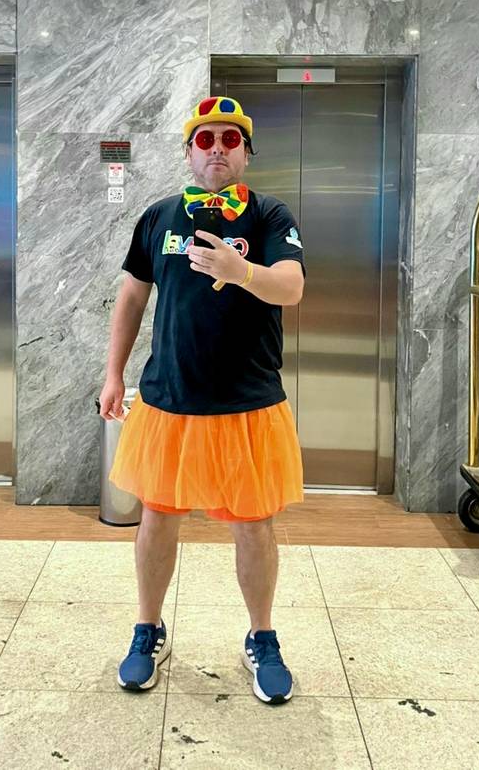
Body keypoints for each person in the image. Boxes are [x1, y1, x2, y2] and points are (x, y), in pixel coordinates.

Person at [98, 96, 306, 706]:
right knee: (158, 517)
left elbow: (291, 287)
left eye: (229, 140)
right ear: (190, 152)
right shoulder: (160, 216)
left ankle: (262, 638)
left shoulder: (269, 215)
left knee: (254, 525)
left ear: (246, 151)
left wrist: (240, 271)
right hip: (170, 399)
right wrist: (114, 375)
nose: (217, 149)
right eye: (205, 139)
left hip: (249, 401)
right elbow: (132, 299)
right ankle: (147, 630)